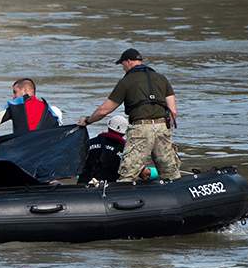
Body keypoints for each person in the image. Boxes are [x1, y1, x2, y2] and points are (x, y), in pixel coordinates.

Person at [77, 48, 180, 182]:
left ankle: (122, 197)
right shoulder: (161, 78)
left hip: (141, 129)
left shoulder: (127, 81)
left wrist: (88, 120)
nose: (123, 68)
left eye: (122, 64)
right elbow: (173, 111)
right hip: (162, 127)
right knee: (170, 171)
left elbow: (104, 110)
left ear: (129, 61)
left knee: (128, 173)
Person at [0, 78, 64, 150]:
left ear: (25, 91)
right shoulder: (51, 111)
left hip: (24, 151)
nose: (13, 97)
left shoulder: (17, 105)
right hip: (47, 152)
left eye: (15, 92)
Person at [77, 115, 128, 183]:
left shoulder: (90, 142)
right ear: (124, 132)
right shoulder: (125, 149)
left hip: (83, 184)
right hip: (110, 188)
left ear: (108, 127)